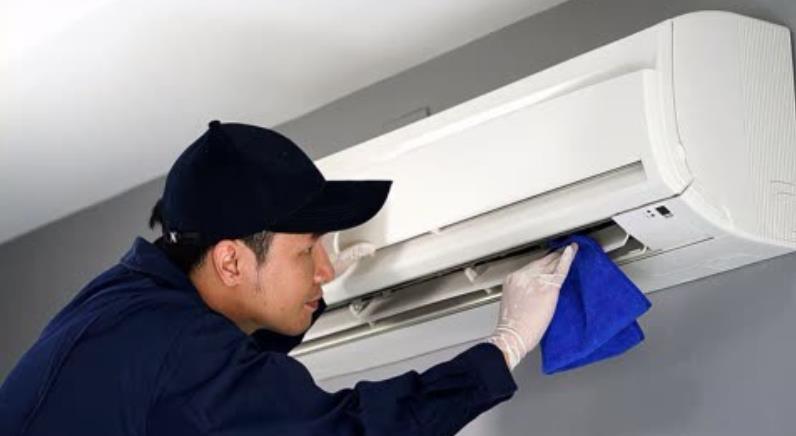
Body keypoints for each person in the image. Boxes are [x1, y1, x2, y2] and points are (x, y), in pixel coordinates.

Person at [0, 121, 577, 435]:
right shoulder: (179, 349)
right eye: (307, 250)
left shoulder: (129, 300)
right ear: (231, 262)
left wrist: (311, 288)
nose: (326, 268)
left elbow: (243, 366)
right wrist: (503, 348)